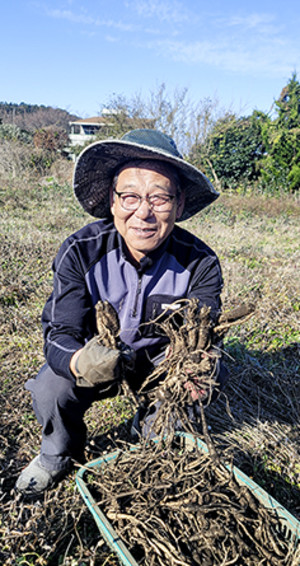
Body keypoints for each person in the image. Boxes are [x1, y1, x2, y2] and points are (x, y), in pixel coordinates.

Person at [16, 128, 227, 497]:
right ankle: (57, 455)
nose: (143, 212)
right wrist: (82, 362)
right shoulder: (80, 251)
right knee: (51, 386)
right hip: (99, 358)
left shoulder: (201, 263)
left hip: (160, 367)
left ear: (178, 206)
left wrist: (196, 361)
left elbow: (205, 322)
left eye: (160, 199)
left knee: (202, 383)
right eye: (130, 196)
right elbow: (58, 334)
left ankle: (152, 431)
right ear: (112, 201)